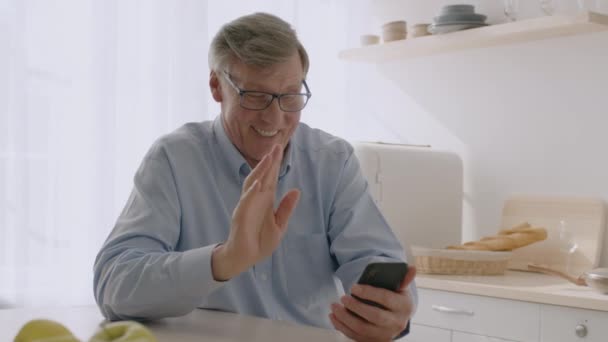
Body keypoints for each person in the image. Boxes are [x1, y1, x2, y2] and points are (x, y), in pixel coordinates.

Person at [93, 12, 417, 341]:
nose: (275, 118)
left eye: (290, 95)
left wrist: (392, 309)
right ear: (217, 86)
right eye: (256, 96)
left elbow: (375, 260)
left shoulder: (333, 161)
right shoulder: (174, 159)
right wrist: (224, 259)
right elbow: (113, 287)